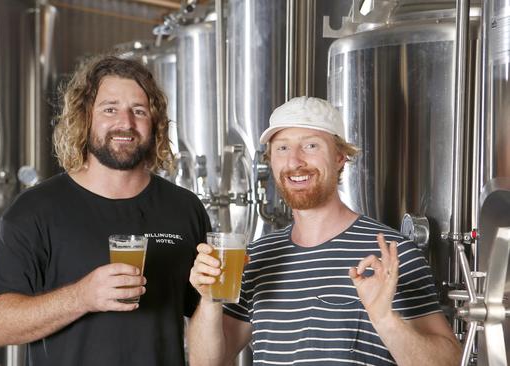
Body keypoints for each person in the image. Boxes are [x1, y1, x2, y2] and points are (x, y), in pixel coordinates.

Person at [187, 96, 462, 365]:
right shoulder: (257, 257)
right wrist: (210, 299)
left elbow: (449, 362)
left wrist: (385, 320)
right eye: (282, 148)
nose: (294, 161)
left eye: (310, 146)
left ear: (340, 157)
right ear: (270, 160)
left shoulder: (391, 252)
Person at [0, 56, 211, 365]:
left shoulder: (185, 208)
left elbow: (205, 320)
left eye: (138, 111)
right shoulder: (36, 209)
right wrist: (82, 297)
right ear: (85, 116)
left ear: (154, 123)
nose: (125, 123)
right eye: (110, 109)